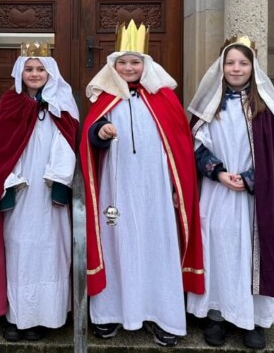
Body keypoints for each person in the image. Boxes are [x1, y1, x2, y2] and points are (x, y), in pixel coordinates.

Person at [80, 20, 204, 348]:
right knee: (116, 244)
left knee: (157, 246)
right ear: (113, 65)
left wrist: (177, 189)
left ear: (146, 64)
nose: (128, 68)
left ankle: (163, 316)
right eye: (122, 62)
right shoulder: (105, 98)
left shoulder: (164, 99)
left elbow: (178, 148)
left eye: (135, 62)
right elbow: (90, 137)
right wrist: (100, 132)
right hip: (117, 190)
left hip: (156, 192)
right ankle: (110, 314)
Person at [185, 36, 274, 350]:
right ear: (221, 66)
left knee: (254, 252)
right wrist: (218, 172)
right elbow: (195, 147)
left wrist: (249, 179)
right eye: (230, 63)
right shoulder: (209, 106)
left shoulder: (267, 107)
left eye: (243, 63)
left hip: (258, 198)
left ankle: (254, 322)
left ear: (253, 67)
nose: (236, 68)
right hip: (217, 193)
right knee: (218, 249)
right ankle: (216, 315)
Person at [0, 44, 78, 342]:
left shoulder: (62, 103)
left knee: (52, 249)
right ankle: (18, 317)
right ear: (20, 73)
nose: (35, 74)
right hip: (21, 192)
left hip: (49, 193)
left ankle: (48, 316)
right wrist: (10, 179)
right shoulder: (10, 103)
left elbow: (69, 143)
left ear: (50, 72)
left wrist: (58, 176)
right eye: (29, 69)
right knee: (19, 248)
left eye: (40, 69)